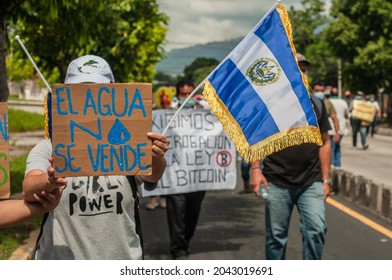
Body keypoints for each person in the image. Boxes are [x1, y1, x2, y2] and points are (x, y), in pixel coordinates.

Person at [22, 54, 170, 260]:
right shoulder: (49, 147)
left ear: (113, 93)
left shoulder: (129, 140)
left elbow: (153, 176)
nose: (89, 98)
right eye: (80, 91)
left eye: (97, 90)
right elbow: (29, 189)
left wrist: (156, 154)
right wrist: (49, 180)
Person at [251, 53, 331, 260]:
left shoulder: (316, 104)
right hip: (276, 181)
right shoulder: (270, 105)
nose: (301, 72)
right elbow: (257, 139)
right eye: (296, 68)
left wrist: (326, 179)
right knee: (276, 238)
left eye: (304, 69)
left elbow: (325, 142)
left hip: (311, 182)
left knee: (316, 230)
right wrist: (256, 170)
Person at [165, 80, 207, 260]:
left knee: (193, 210)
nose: (187, 97)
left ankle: (185, 240)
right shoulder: (167, 115)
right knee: (176, 211)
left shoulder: (206, 114)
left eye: (191, 93)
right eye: (184, 94)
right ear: (177, 96)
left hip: (198, 173)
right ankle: (178, 249)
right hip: (175, 173)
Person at [328, 88, 349, 169]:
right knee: (337, 146)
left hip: (331, 127)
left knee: (331, 146)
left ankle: (333, 164)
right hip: (341, 127)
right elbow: (347, 114)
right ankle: (337, 164)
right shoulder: (343, 102)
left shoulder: (328, 102)